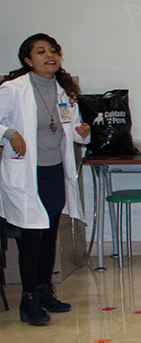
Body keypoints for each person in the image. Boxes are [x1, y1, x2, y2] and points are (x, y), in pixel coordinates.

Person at [0, 34, 91, 326]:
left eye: (53, 51)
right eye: (41, 52)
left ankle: (44, 290)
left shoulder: (64, 91)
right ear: (28, 60)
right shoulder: (13, 90)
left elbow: (74, 133)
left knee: (50, 234)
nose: (50, 56)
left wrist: (83, 131)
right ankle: (28, 299)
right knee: (31, 238)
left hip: (54, 172)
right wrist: (9, 133)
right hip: (27, 174)